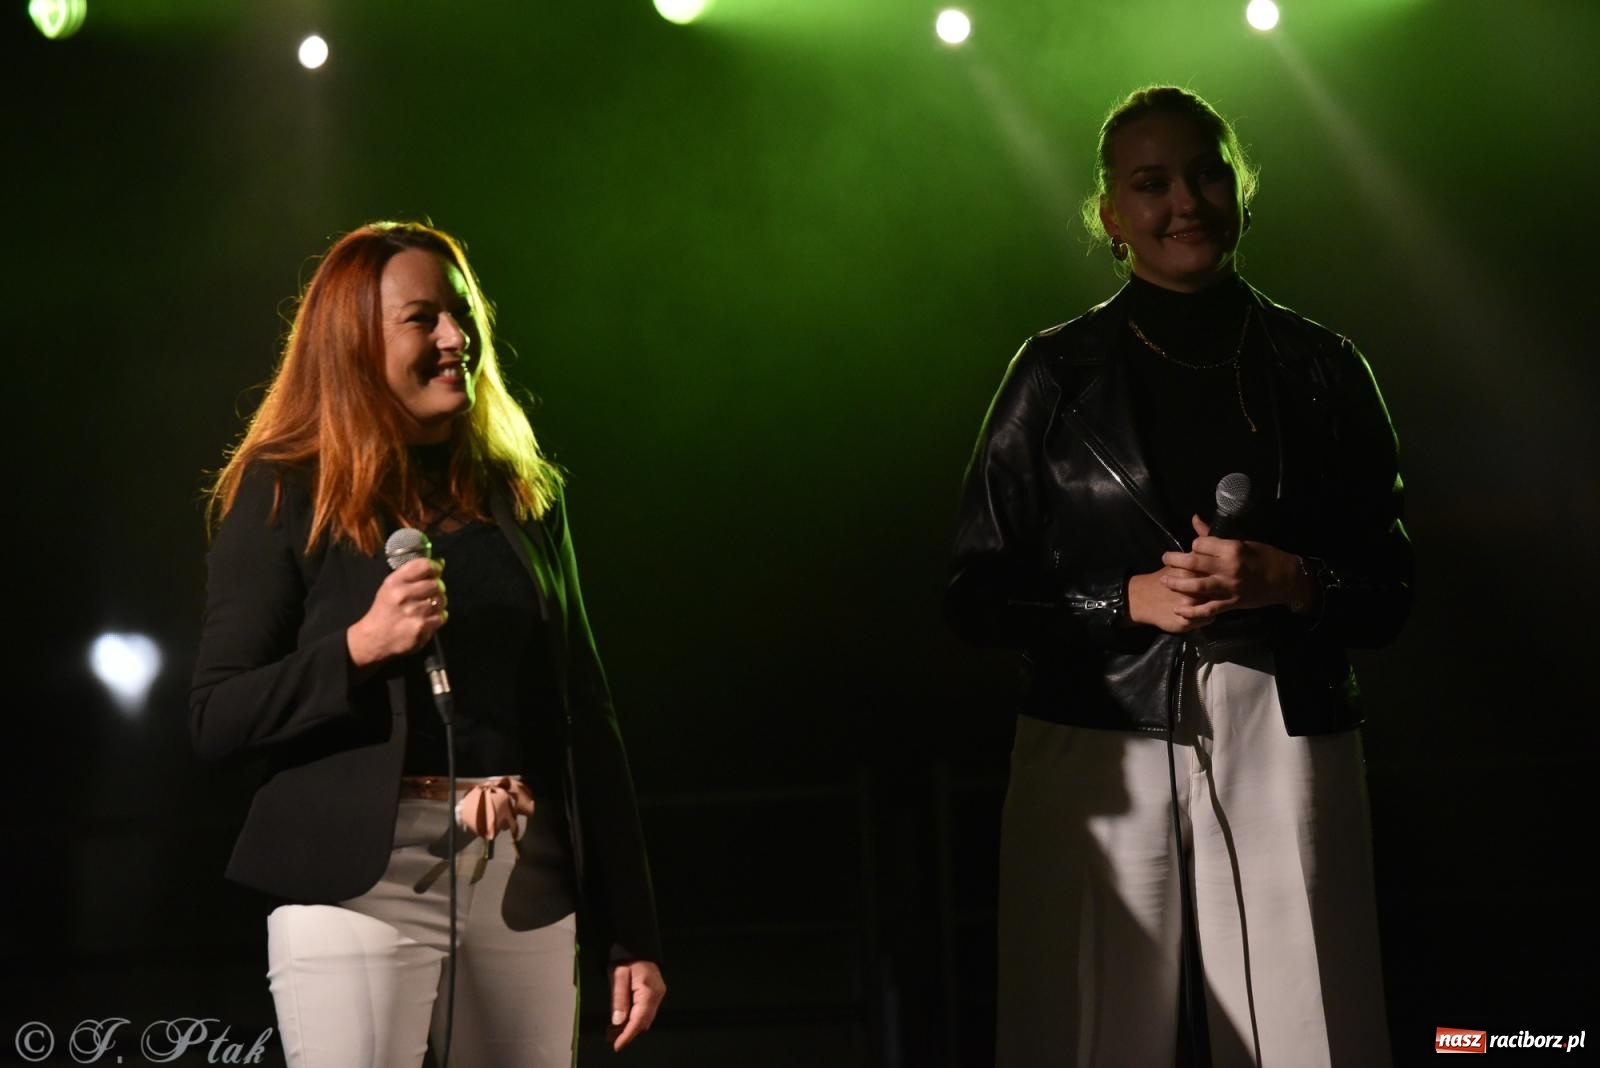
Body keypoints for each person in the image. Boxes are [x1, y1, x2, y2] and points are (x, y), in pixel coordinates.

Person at [945, 87, 1411, 1067]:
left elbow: (1393, 588)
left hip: (1282, 718)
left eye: (1206, 174)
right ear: (1110, 215)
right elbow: (972, 594)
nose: (1185, 202)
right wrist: (1121, 601)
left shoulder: (1322, 366)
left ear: (1241, 187)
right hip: (1098, 723)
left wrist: (1295, 580)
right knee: (1081, 1028)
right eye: (1151, 184)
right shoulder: (1054, 372)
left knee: (1309, 1026)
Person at [191, 221, 665, 1068]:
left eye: (463, 314)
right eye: (423, 319)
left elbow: (586, 715)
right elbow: (217, 715)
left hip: (524, 872)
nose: (456, 338)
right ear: (354, 344)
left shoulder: (521, 494)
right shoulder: (286, 489)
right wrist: (360, 648)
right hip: (361, 881)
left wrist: (631, 929)